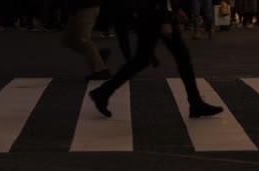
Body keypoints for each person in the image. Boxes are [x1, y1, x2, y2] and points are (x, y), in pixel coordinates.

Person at [89, 0, 223, 118]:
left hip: (151, 13)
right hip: (155, 15)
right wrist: (165, 19)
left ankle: (103, 92)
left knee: (143, 60)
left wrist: (174, 9)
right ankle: (195, 103)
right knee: (181, 57)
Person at [61, 0, 110, 80]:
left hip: (85, 6)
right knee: (67, 40)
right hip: (78, 7)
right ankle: (96, 56)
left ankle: (101, 70)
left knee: (83, 39)